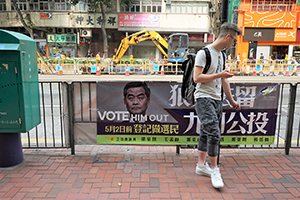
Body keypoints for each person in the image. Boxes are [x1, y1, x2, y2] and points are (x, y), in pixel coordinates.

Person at [193, 22, 241, 188]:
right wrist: (219, 74)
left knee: (206, 132)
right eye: (234, 41)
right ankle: (214, 169)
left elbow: (224, 80)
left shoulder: (222, 55)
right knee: (214, 132)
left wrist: (231, 100)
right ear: (228, 37)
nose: (234, 44)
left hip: (216, 99)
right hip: (203, 98)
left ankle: (201, 166)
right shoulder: (204, 53)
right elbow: (197, 78)